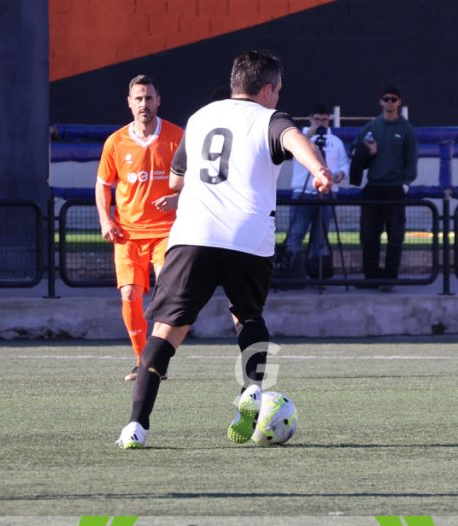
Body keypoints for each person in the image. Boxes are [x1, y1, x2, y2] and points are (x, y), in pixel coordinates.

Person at [115, 49, 332, 449]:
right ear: (267, 89)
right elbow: (293, 138)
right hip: (248, 236)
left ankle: (136, 427)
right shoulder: (270, 119)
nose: (278, 98)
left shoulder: (199, 118)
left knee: (166, 331)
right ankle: (251, 389)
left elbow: (177, 182)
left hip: (194, 234)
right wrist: (318, 170)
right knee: (247, 316)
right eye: (278, 90)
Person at [95, 75, 183, 381]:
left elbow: (197, 180)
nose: (144, 104)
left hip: (166, 231)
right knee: (130, 293)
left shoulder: (176, 137)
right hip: (127, 233)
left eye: (149, 98)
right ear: (129, 103)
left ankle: (159, 358)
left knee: (167, 291)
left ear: (159, 100)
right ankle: (142, 361)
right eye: (138, 98)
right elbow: (102, 185)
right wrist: (105, 220)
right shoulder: (116, 142)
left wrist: (176, 199)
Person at [349, 86, 417, 291]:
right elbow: (354, 151)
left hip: (395, 189)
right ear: (380, 102)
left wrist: (405, 185)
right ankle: (371, 277)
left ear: (399, 102)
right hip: (373, 188)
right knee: (368, 235)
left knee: (395, 237)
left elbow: (411, 161)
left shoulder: (406, 129)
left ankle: (389, 279)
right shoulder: (371, 127)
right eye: (386, 99)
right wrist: (368, 152)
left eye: (393, 99)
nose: (389, 102)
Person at [281, 104, 350, 278]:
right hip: (302, 193)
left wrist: (341, 173)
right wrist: (308, 135)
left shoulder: (335, 141)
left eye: (324, 119)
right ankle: (290, 272)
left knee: (320, 238)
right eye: (317, 119)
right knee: (296, 234)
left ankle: (317, 274)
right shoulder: (300, 137)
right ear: (310, 118)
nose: (321, 123)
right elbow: (290, 153)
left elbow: (344, 163)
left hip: (326, 194)